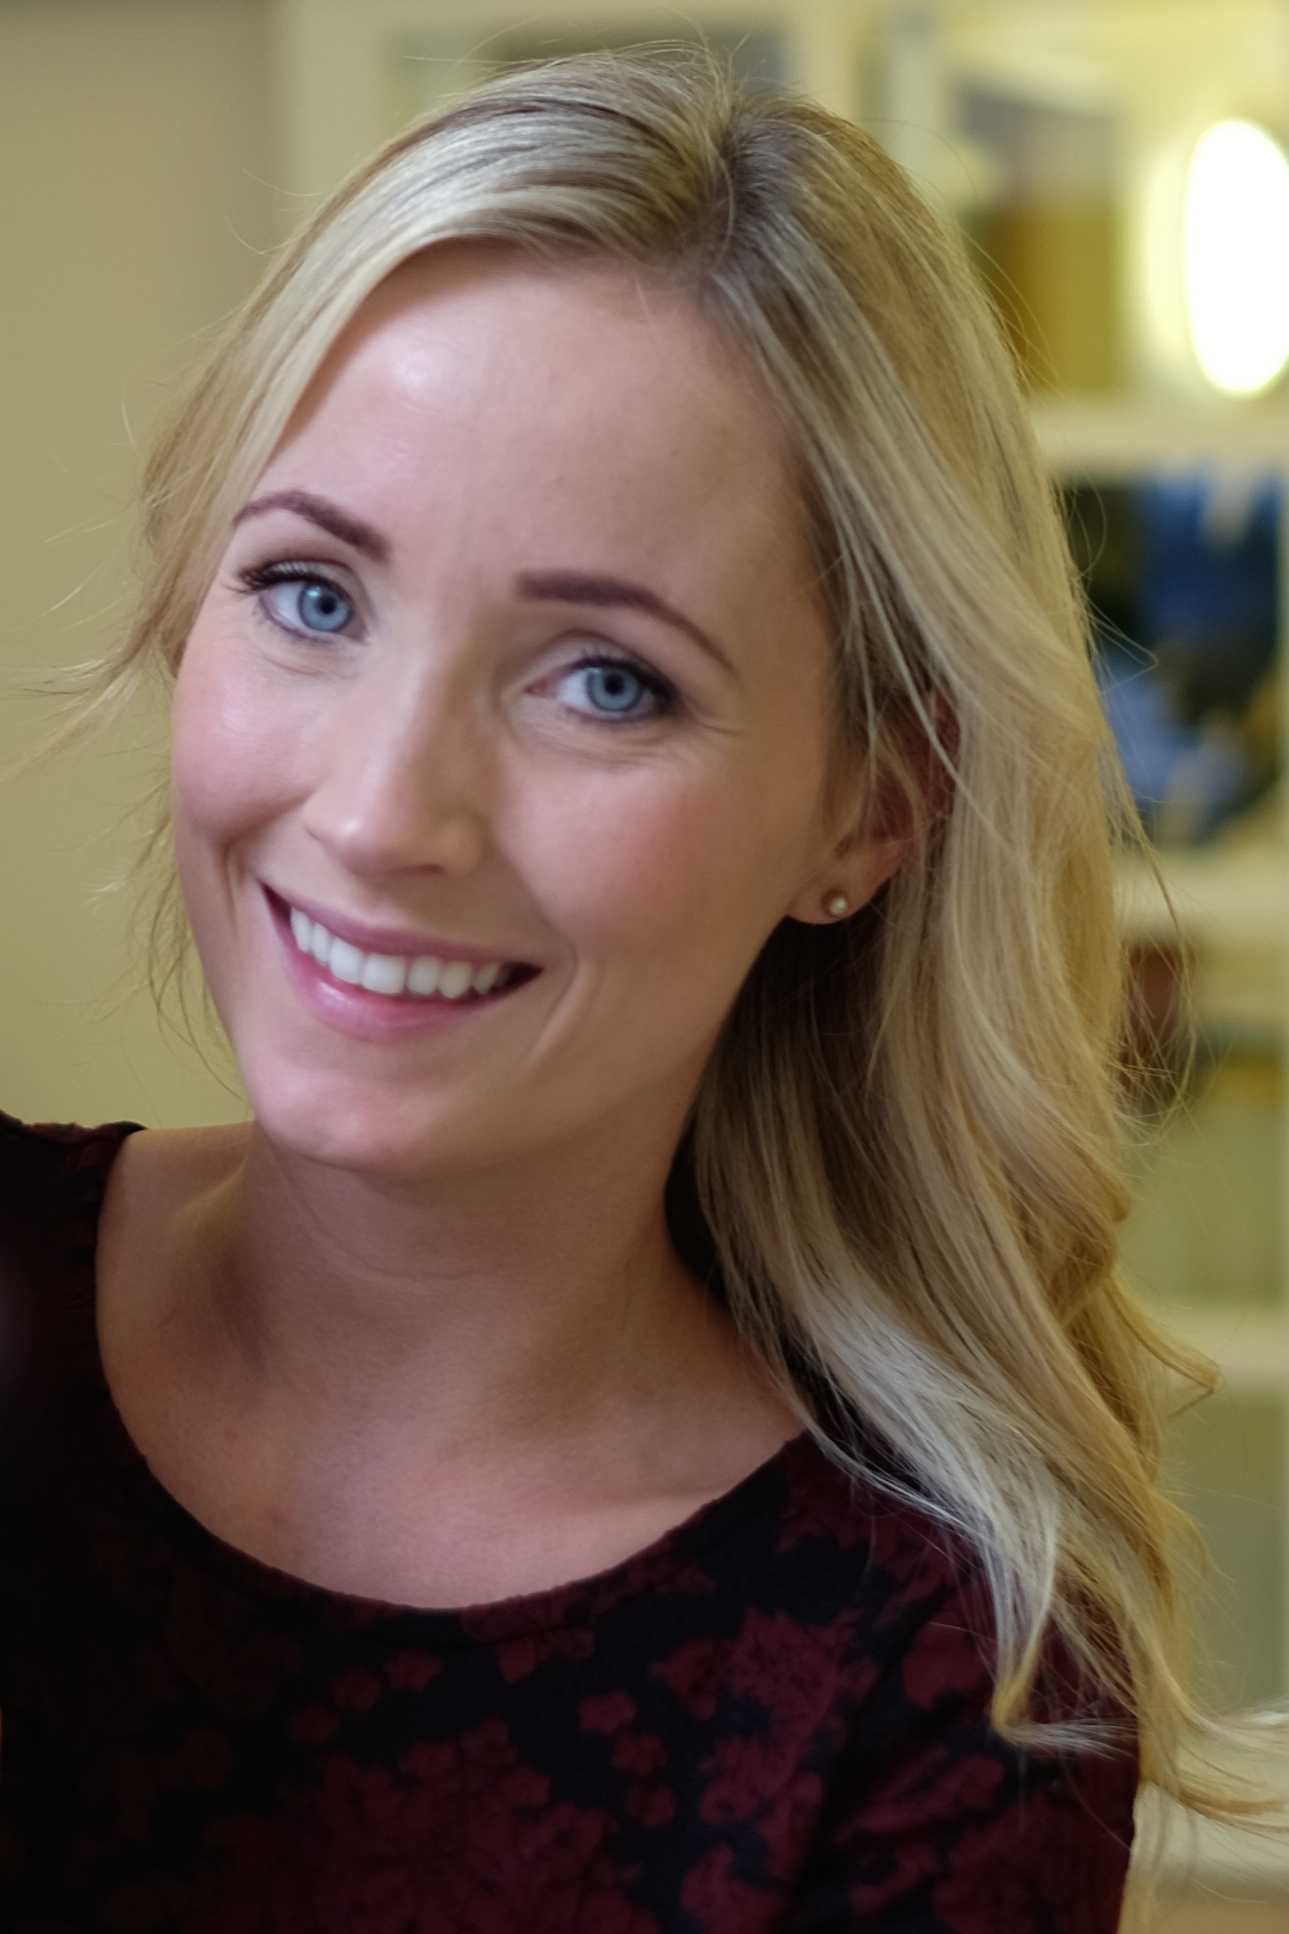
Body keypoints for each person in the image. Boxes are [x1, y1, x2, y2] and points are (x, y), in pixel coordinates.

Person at [0, 49, 1254, 1932]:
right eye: (315, 594)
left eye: (604, 678)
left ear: (871, 808)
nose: (381, 812)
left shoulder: (946, 1695)